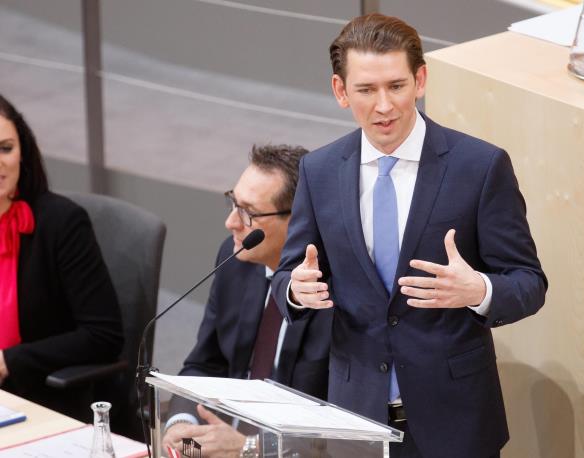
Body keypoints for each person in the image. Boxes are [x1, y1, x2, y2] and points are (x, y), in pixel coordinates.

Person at [272, 14, 548, 458]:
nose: (384, 106)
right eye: (366, 90)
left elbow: (529, 282)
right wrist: (295, 290)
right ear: (341, 91)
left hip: (454, 426)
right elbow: (288, 273)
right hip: (356, 422)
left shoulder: (479, 167)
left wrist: (479, 290)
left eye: (396, 86)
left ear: (420, 80)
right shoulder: (318, 171)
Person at [162, 145, 332, 458]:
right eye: (233, 203)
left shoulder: (332, 292)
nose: (231, 222)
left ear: (299, 220)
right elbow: (205, 363)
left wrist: (251, 449)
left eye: (248, 213)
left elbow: (338, 428)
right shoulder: (235, 261)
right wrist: (181, 424)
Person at [0, 94, 123, 421]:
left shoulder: (62, 223)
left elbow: (103, 335)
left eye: (6, 148)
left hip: (37, 398)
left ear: (23, 153)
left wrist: (8, 361)